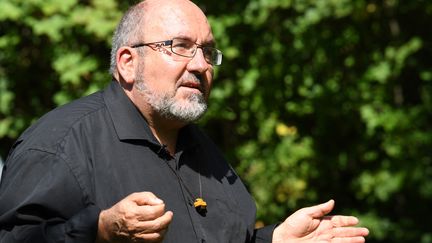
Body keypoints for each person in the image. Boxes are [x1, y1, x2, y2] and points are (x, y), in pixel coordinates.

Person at [0, 0, 369, 242]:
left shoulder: (204, 152)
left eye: (208, 51)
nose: (200, 65)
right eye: (179, 46)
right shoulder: (61, 144)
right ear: (128, 62)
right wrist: (98, 231)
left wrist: (273, 240)